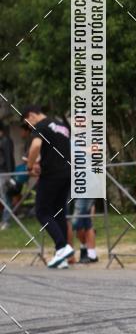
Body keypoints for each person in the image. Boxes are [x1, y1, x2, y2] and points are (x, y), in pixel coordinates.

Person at [21, 105, 74, 268]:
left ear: (31, 115)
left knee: (42, 211)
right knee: (59, 213)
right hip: (67, 173)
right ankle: (61, 255)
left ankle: (62, 246)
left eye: (27, 123)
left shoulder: (41, 126)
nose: (29, 127)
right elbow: (57, 150)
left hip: (51, 174)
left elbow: (36, 146)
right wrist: (38, 162)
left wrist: (30, 167)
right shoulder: (62, 125)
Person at [0, 121, 15, 229]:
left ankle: (6, 221)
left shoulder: (6, 141)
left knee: (5, 197)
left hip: (4, 173)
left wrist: (10, 175)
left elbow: (9, 158)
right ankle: (4, 220)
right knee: (3, 197)